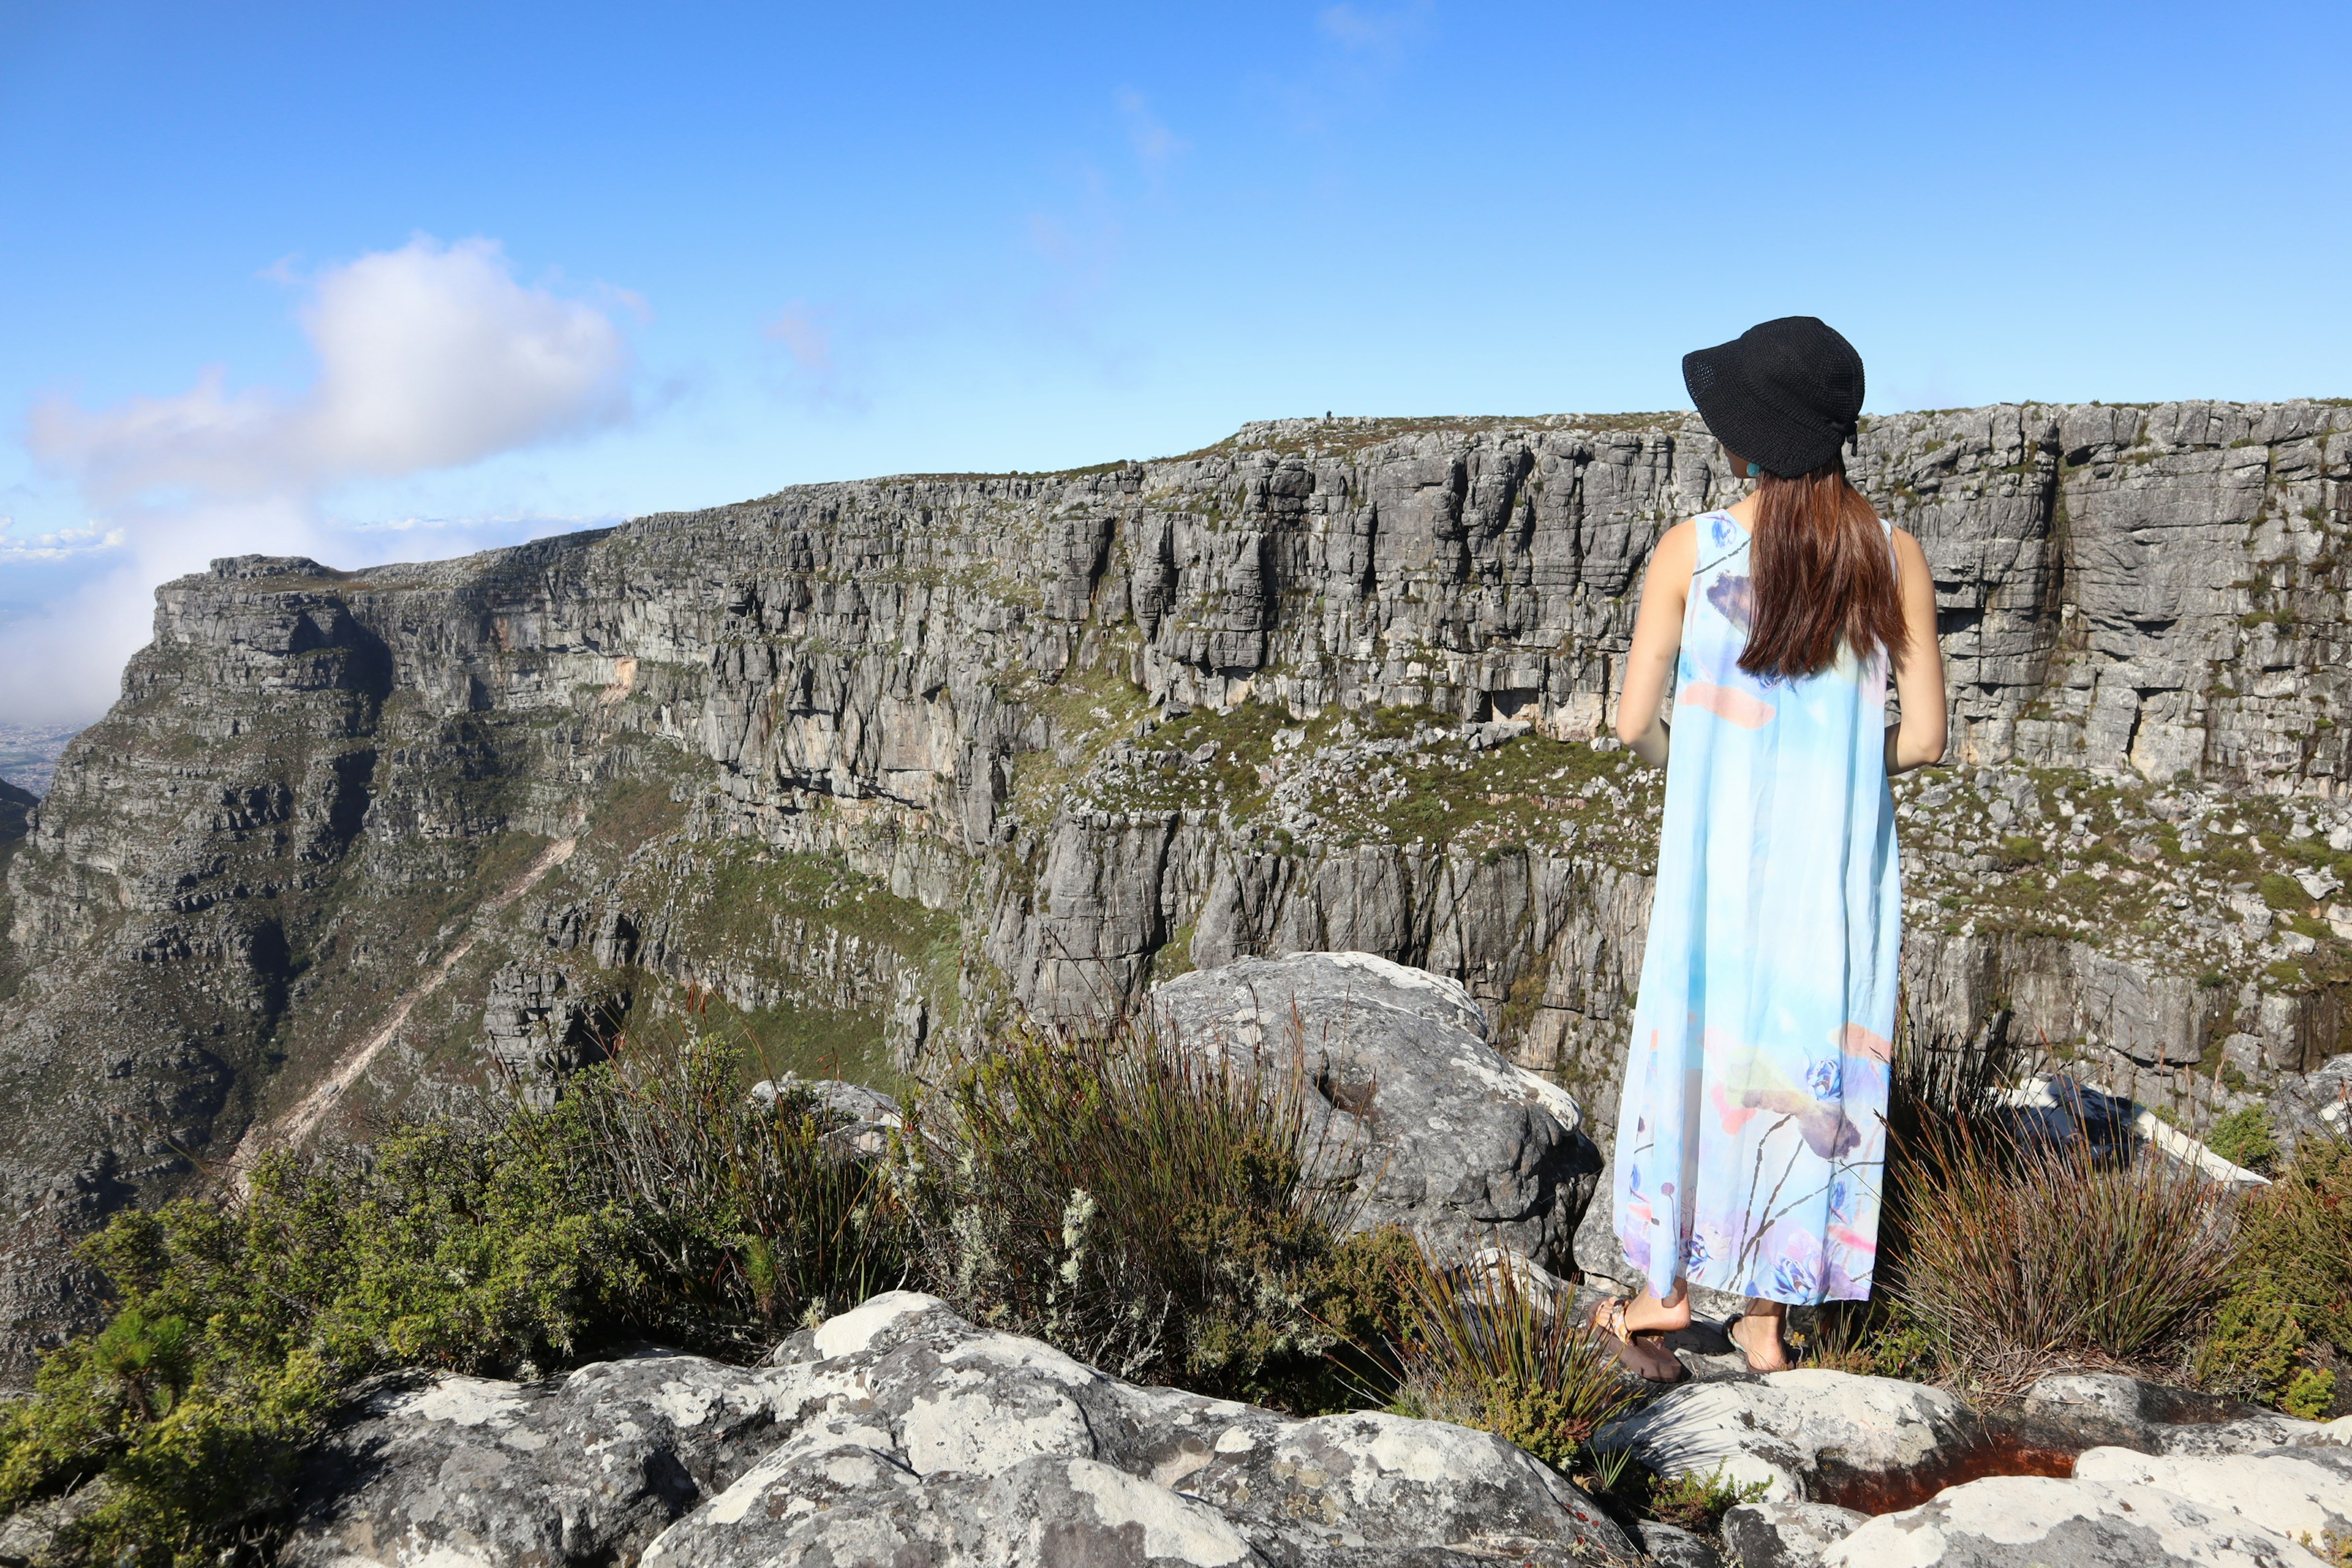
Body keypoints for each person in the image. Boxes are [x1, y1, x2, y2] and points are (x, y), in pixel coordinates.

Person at [1591, 317, 1947, 1381]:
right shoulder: (1892, 555)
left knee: (1701, 1053)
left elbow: (1630, 723)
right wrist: (1829, 766)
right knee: (1803, 1069)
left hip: (1718, 867)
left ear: (1748, 436)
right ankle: (1765, 1319)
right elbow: (1923, 741)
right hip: (1831, 880)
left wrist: (1694, 764)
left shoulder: (1693, 552)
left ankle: (1664, 1296)